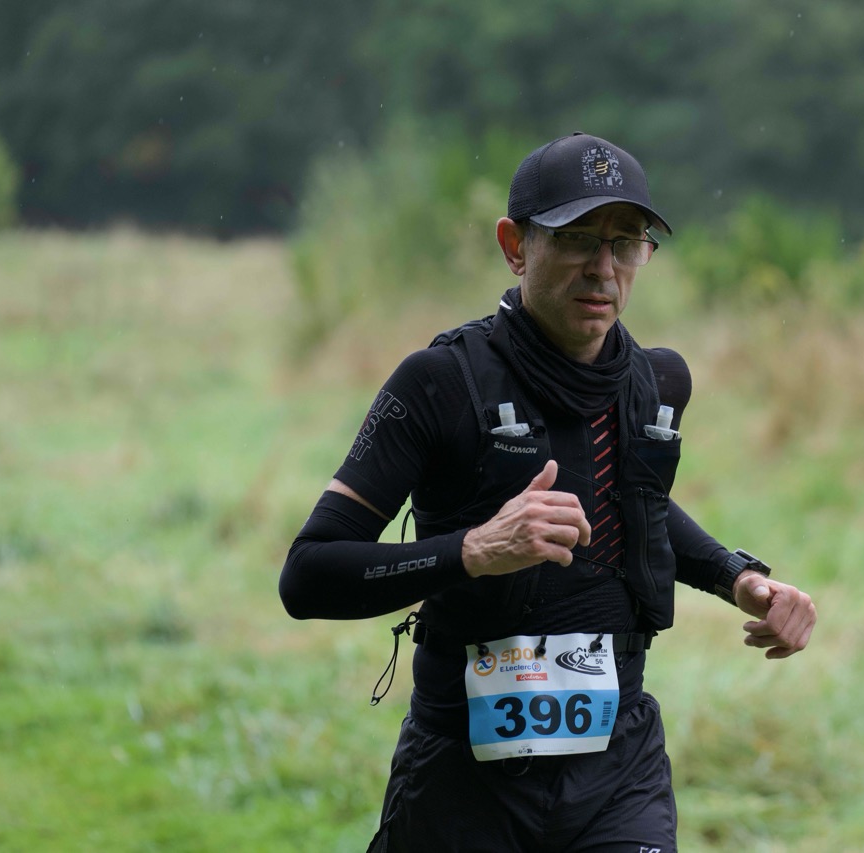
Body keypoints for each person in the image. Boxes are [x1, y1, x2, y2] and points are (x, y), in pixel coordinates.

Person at [279, 131, 817, 852]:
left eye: (625, 243)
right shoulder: (438, 383)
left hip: (618, 772)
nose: (603, 267)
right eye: (576, 239)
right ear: (515, 245)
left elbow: (638, 504)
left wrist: (739, 578)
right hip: (463, 779)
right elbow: (308, 574)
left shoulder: (658, 382)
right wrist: (475, 550)